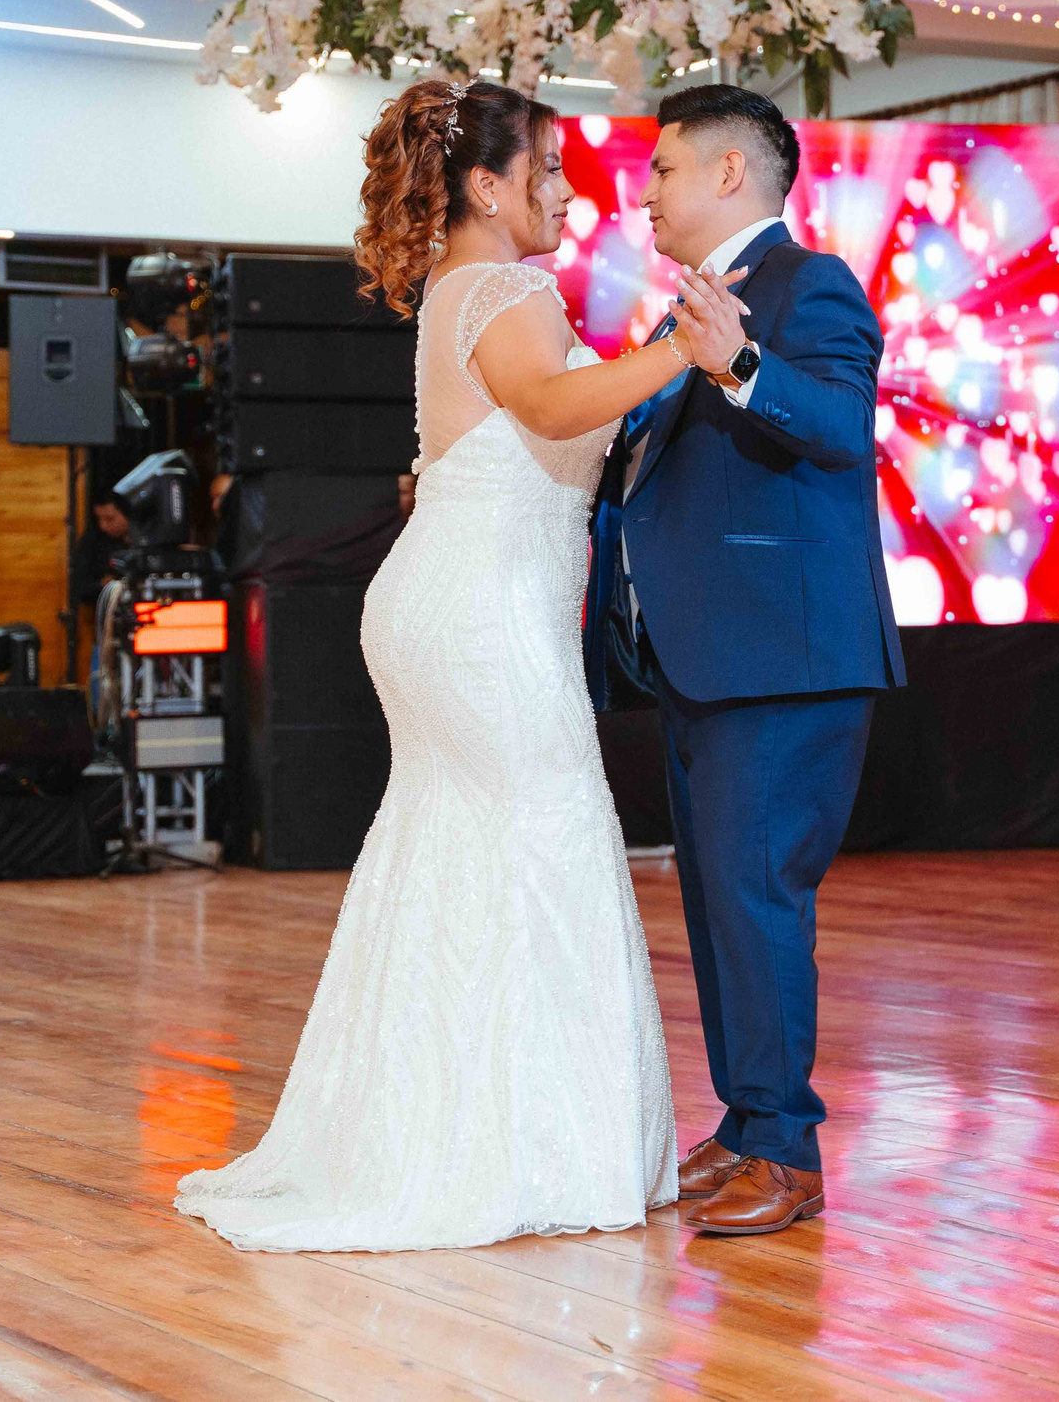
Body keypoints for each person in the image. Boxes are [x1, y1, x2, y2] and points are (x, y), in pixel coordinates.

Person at [175, 78, 756, 1253]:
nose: (567, 190)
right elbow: (547, 405)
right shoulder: (502, 283)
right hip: (479, 615)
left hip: (464, 604)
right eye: (546, 170)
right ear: (486, 188)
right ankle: (514, 1146)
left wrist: (654, 363)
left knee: (459, 853)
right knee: (540, 841)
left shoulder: (473, 284)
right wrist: (686, 353)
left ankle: (442, 1130)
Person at [583, 84, 904, 1237]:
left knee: (758, 900)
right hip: (706, 660)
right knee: (721, 903)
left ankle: (787, 1148)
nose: (646, 191)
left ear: (729, 174)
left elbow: (839, 424)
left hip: (784, 661)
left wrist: (742, 366)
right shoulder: (699, 308)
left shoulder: (805, 285)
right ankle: (749, 1121)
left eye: (663, 167)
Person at [68, 495, 132, 608]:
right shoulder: (94, 540)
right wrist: (102, 585)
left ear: (128, 515)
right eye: (99, 519)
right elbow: (78, 587)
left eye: (109, 519)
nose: (103, 526)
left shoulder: (150, 538)